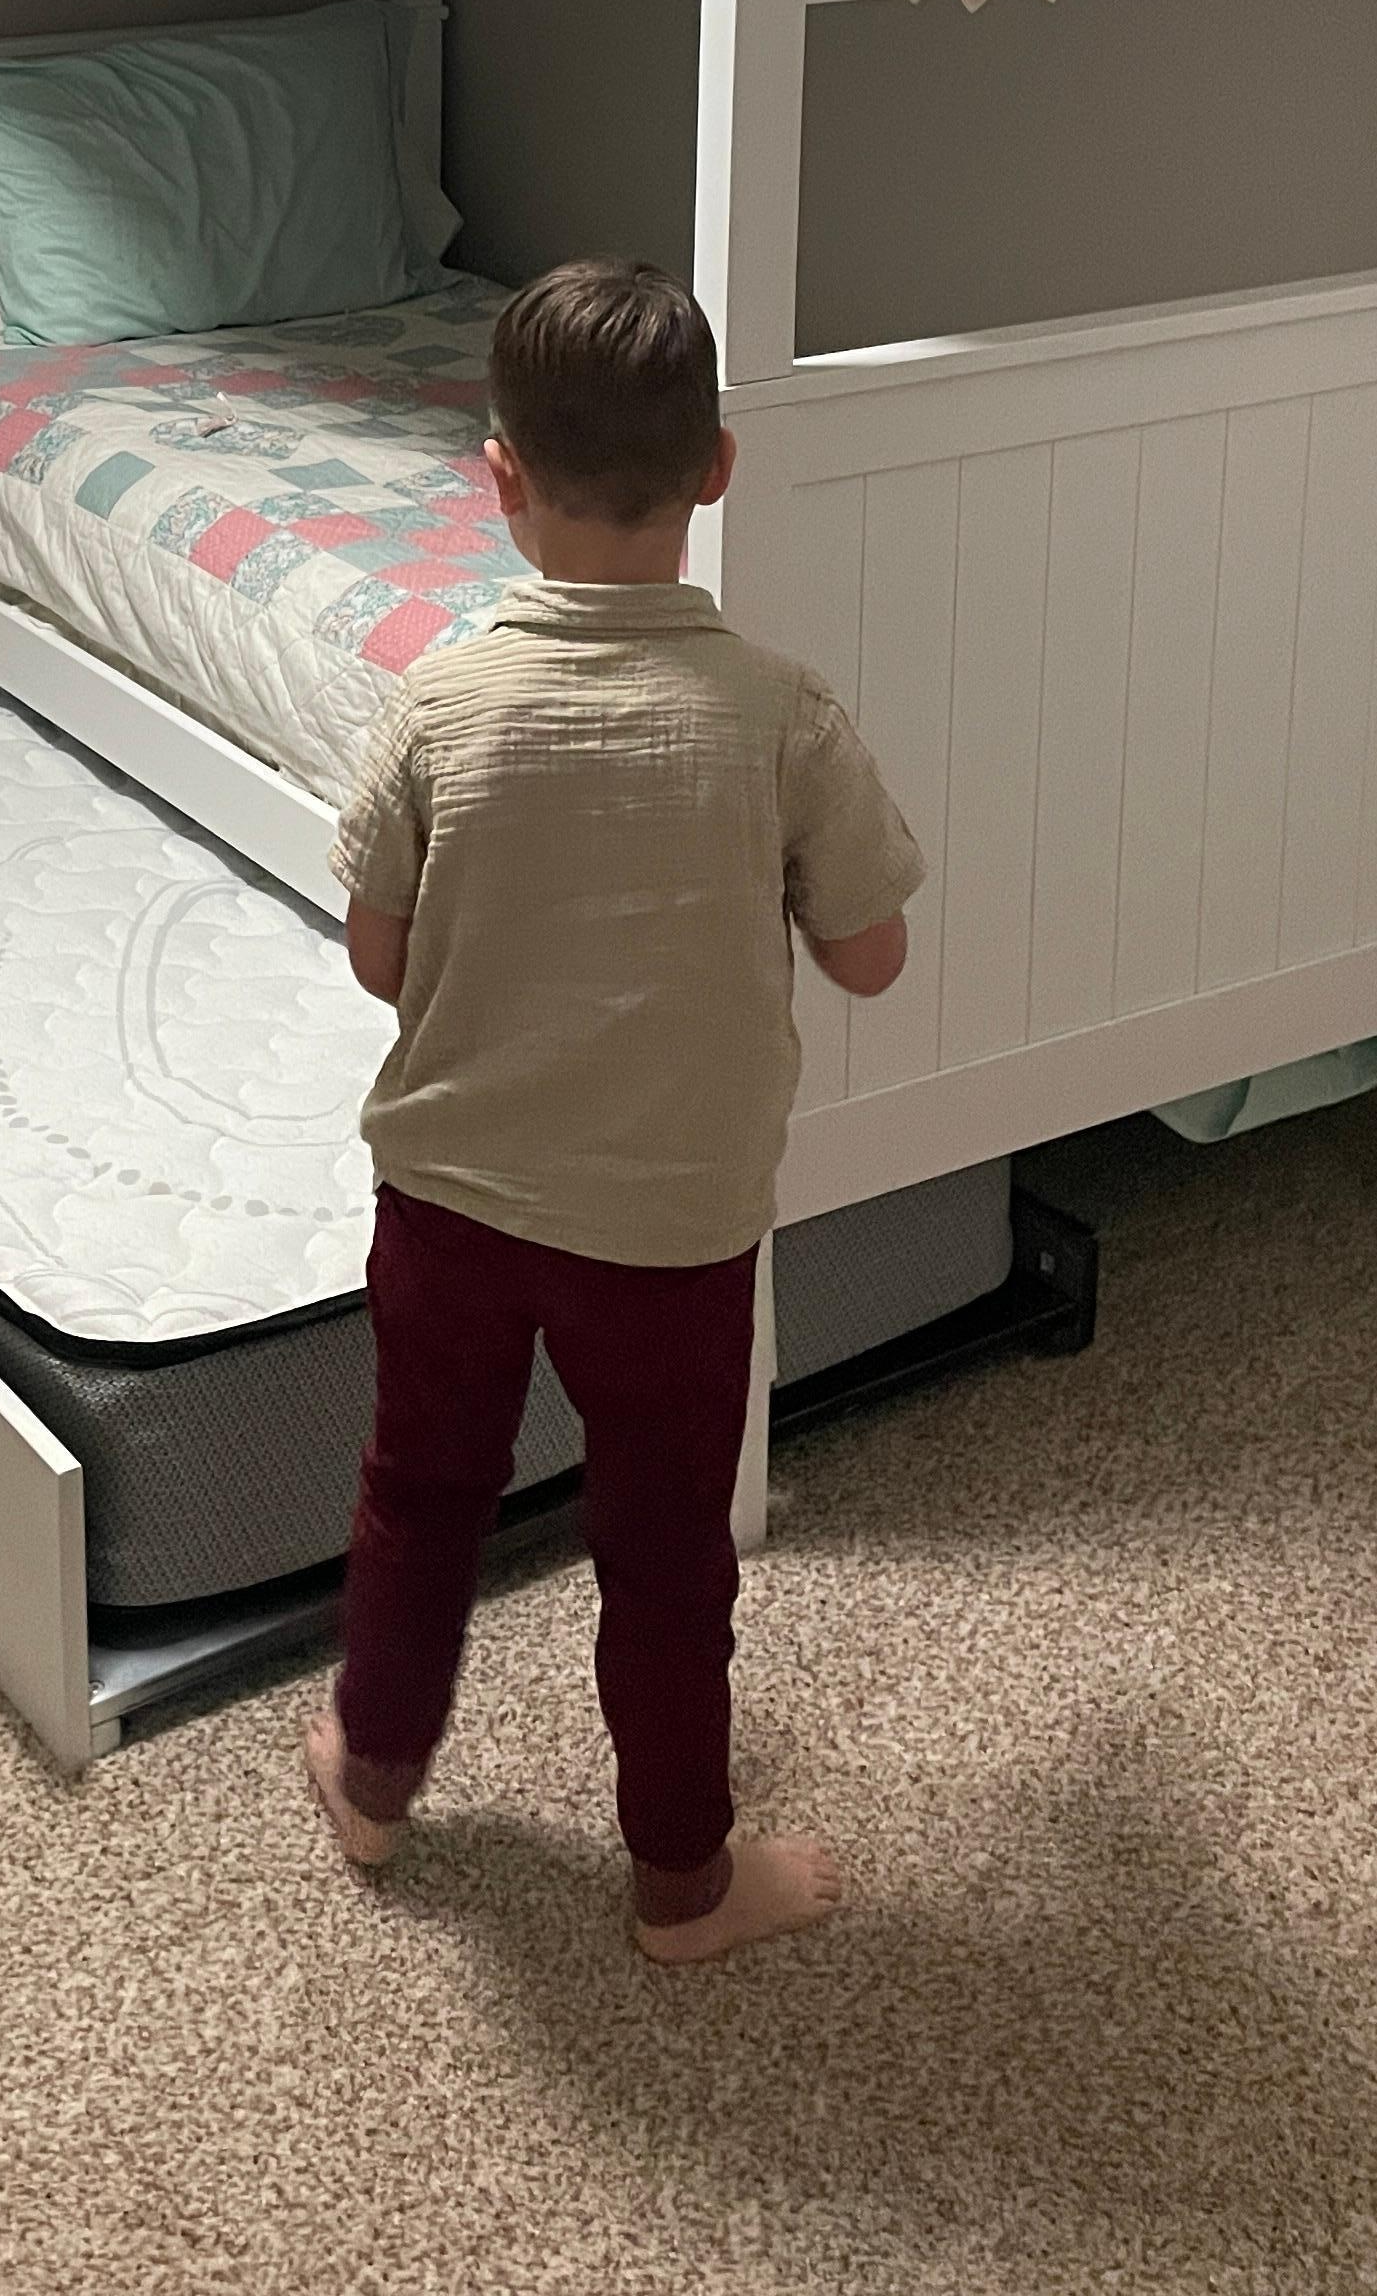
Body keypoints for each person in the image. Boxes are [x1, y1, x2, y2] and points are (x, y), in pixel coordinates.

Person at [306, 259, 923, 1966]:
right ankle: (677, 1879)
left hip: (447, 1200)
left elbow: (376, 959)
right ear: (712, 466)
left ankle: (370, 1775)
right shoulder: (776, 713)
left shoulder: (436, 703)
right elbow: (868, 955)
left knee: (415, 1491)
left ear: (493, 474)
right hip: (665, 1228)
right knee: (662, 1551)